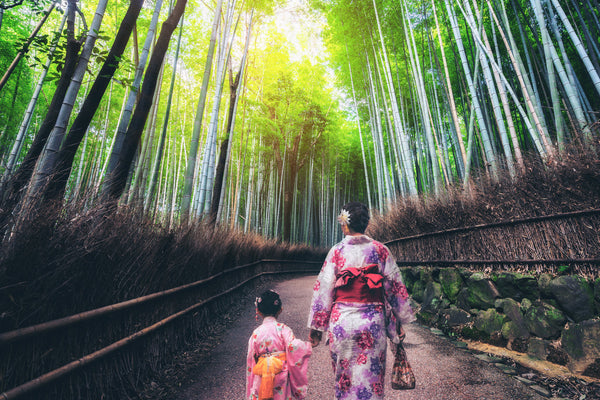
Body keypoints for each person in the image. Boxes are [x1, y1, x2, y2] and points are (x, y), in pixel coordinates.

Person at [308, 201, 415, 400]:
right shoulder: (380, 250)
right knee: (372, 379)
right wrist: (399, 321)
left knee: (344, 378)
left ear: (345, 224)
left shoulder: (337, 251)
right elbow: (394, 288)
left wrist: (316, 327)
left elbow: (323, 290)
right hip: (373, 324)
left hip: (343, 324)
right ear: (366, 223)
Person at [247, 290, 312, 400]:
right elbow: (293, 346)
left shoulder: (255, 334)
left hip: (262, 373)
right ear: (280, 310)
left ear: (258, 311)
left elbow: (251, 360)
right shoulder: (283, 329)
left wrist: (250, 388)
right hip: (280, 373)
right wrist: (307, 346)